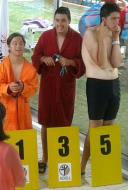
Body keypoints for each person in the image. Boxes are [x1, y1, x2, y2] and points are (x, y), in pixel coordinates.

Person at [32, 7, 85, 173]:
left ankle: (60, 159)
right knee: (46, 122)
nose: (60, 24)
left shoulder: (77, 39)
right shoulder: (46, 36)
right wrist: (43, 58)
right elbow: (35, 57)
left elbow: (83, 62)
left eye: (63, 20)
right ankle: (45, 158)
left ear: (69, 21)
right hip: (48, 85)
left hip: (66, 88)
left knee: (63, 122)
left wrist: (70, 62)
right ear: (53, 21)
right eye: (57, 20)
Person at [80, 3, 122, 175]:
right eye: (113, 19)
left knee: (108, 126)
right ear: (103, 19)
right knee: (95, 127)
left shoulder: (114, 35)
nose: (116, 22)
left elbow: (116, 63)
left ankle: (103, 169)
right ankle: (82, 166)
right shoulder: (91, 33)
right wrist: (103, 38)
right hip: (97, 84)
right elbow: (101, 62)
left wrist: (116, 38)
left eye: (118, 19)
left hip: (114, 84)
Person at [0, 33, 38, 131]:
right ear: (9, 46)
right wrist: (8, 88)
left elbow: (34, 89)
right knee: (7, 142)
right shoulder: (2, 67)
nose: (18, 46)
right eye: (15, 43)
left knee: (24, 141)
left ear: (24, 45)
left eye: (21, 43)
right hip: (6, 111)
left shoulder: (30, 68)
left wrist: (23, 87)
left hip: (24, 111)